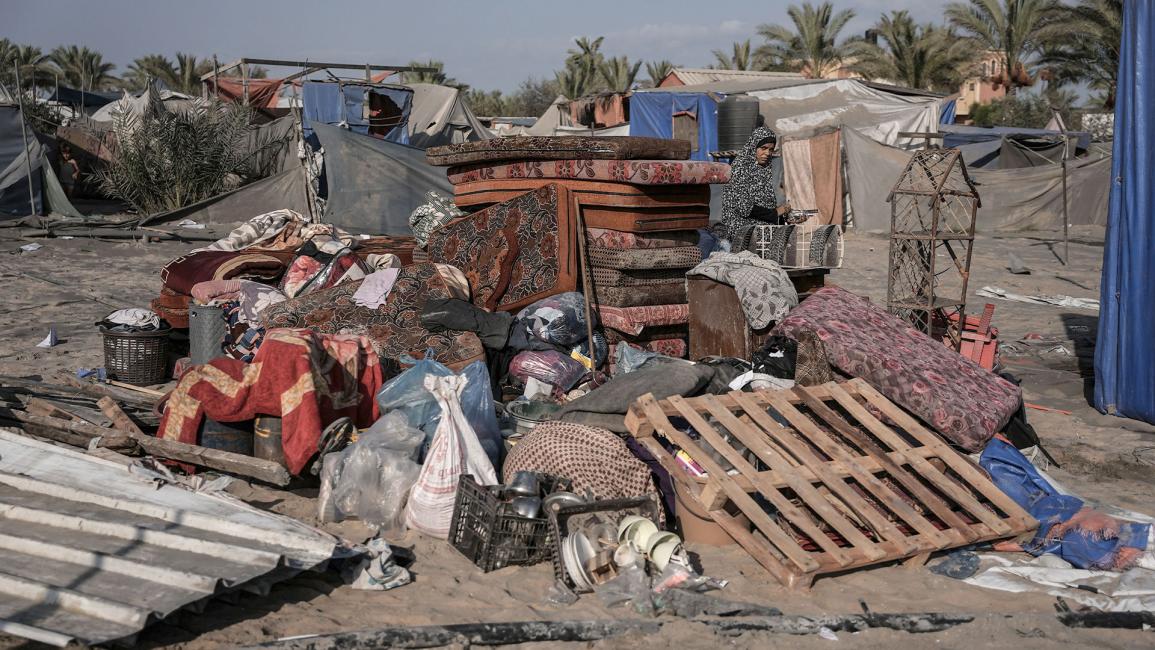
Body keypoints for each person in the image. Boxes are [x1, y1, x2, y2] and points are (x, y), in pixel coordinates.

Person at [720, 126, 791, 246]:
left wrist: (784, 216)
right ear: (754, 146)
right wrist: (775, 213)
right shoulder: (741, 167)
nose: (767, 153)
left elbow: (765, 205)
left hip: (760, 223)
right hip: (741, 228)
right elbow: (744, 206)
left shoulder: (763, 169)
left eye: (771, 149)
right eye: (763, 148)